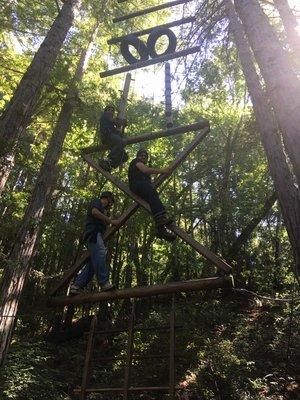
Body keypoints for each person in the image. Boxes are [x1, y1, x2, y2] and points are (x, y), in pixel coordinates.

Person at [70, 191, 119, 294]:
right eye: (111, 202)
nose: (111, 205)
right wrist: (110, 221)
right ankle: (104, 283)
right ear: (108, 199)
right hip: (93, 234)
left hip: (96, 236)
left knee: (93, 263)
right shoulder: (96, 201)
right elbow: (94, 212)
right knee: (101, 252)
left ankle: (77, 285)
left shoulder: (104, 212)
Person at [128, 149, 176, 242]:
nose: (143, 157)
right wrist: (163, 171)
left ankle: (161, 230)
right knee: (151, 190)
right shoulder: (136, 161)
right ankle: (161, 220)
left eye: (145, 156)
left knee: (153, 199)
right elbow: (145, 170)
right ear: (137, 156)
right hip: (136, 185)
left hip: (143, 188)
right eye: (141, 155)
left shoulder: (145, 176)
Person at [98, 104, 128, 172]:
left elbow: (120, 135)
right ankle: (106, 161)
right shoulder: (104, 116)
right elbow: (114, 121)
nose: (111, 112)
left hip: (113, 139)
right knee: (122, 142)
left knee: (125, 157)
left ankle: (110, 164)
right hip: (106, 136)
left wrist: (123, 127)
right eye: (109, 110)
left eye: (112, 111)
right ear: (105, 111)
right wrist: (120, 122)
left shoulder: (111, 125)